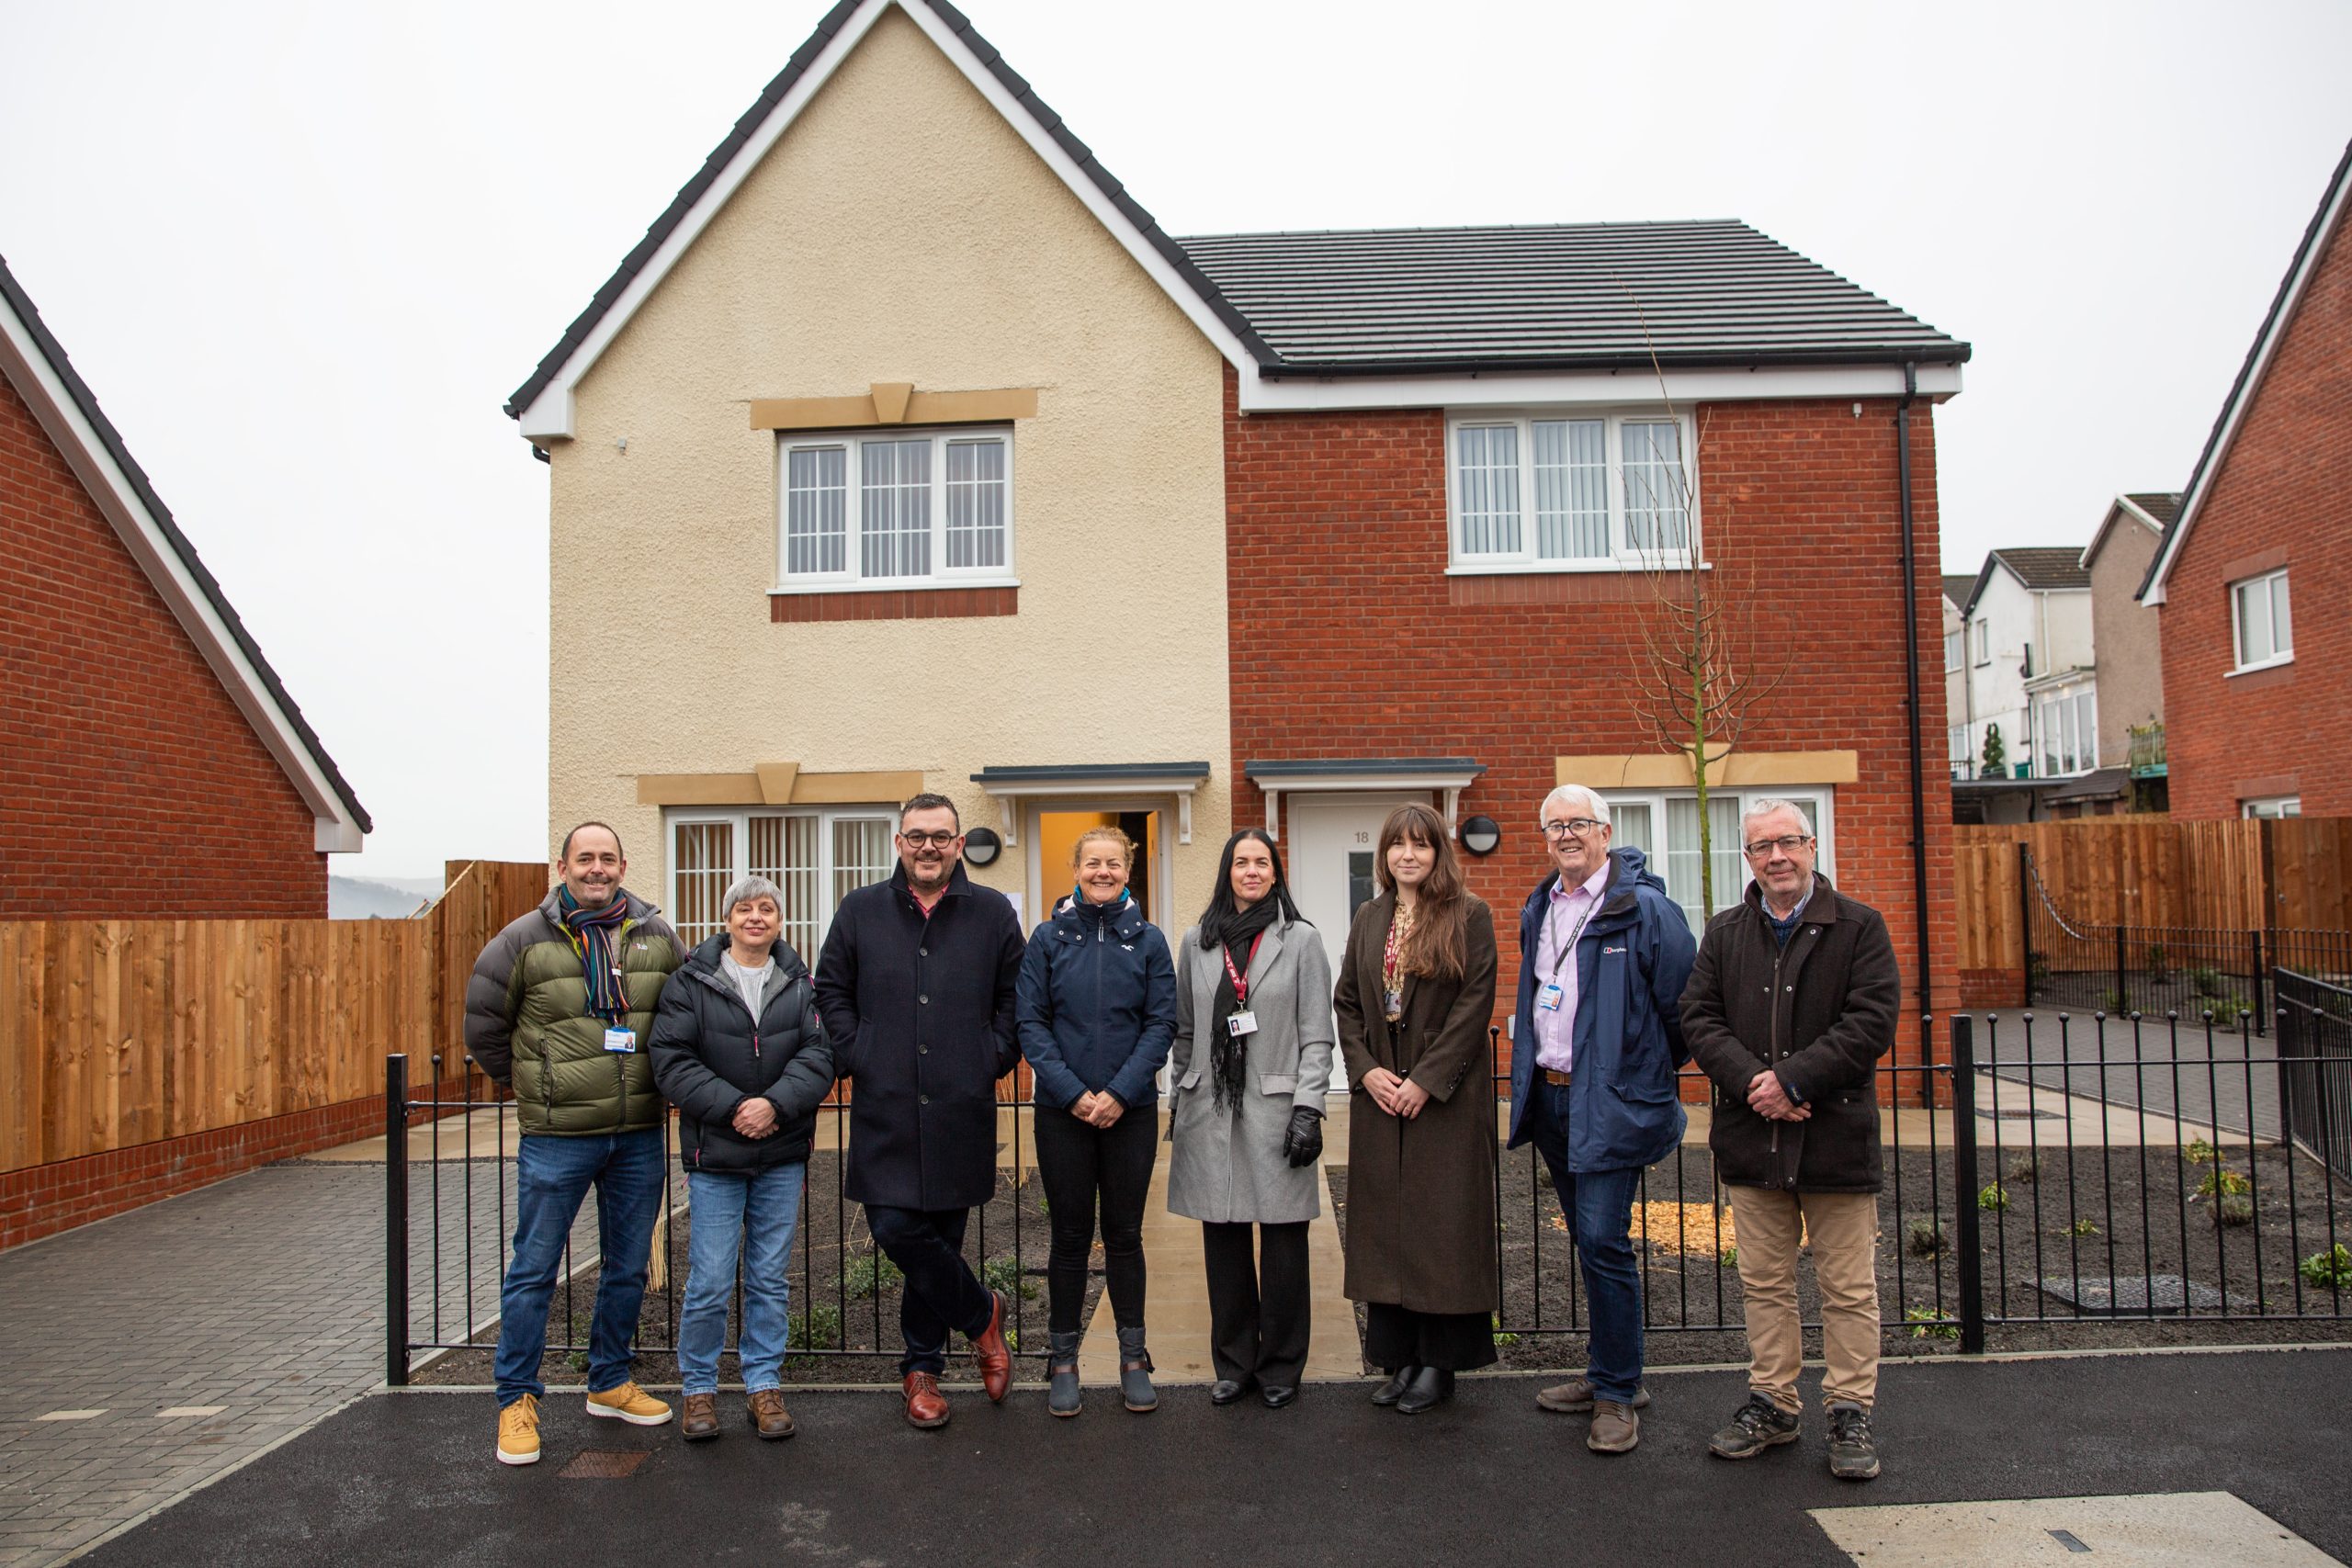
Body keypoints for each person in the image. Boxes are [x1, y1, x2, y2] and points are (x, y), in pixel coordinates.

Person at [1679, 799, 1899, 1482]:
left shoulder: (1860, 927)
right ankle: (1774, 1402)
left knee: (1847, 1287)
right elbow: (1699, 1017)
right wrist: (1757, 1084)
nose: (1777, 856)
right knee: (1765, 1283)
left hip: (1834, 1138)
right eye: (1761, 846)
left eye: (1788, 842)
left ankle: (1849, 1409)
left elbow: (1871, 1022)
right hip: (1753, 1139)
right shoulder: (1725, 932)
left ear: (1812, 845)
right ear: (1746, 859)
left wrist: (1794, 1081)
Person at [466, 822, 686, 1467]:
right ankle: (516, 1398)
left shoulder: (655, 935)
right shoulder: (522, 941)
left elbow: (684, 1015)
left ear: (623, 864)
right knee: (534, 1269)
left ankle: (609, 1379)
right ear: (561, 864)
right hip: (557, 1137)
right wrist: (537, 1086)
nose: (596, 868)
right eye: (584, 858)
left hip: (639, 1131)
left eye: (607, 858)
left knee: (627, 1265)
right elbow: (484, 1026)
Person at [812, 793, 1025, 1430]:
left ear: (959, 844)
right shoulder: (860, 910)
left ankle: (921, 1370)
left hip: (960, 1101)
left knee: (941, 1239)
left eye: (940, 836)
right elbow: (830, 988)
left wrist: (992, 1054)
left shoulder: (991, 913)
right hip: (887, 1101)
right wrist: (859, 1051)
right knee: (896, 1227)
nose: (928, 846)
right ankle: (983, 1314)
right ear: (899, 842)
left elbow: (1016, 997)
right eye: (916, 836)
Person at [1507, 784, 1696, 1455]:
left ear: (1606, 831)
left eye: (1579, 823)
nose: (1566, 835)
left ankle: (1619, 1391)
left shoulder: (1644, 909)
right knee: (1590, 1244)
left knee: (1603, 1239)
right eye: (1554, 825)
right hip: (1554, 1099)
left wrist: (1637, 1074)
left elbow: (1684, 1013)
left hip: (1610, 1102)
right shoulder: (1542, 905)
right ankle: (1608, 1370)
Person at [648, 875, 834, 1443]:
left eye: (768, 909)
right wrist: (736, 1109)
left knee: (769, 1279)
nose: (757, 917)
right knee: (707, 1280)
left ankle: (763, 1386)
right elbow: (672, 1059)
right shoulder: (691, 983)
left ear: (780, 920)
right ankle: (699, 1391)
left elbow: (820, 1053)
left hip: (781, 1152)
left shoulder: (801, 983)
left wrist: (774, 1105)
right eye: (745, 909)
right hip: (717, 1156)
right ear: (727, 919)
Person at [1333, 802, 1500, 1415]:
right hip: (1381, 1096)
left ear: (1438, 852)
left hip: (1444, 1101)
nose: (1408, 854)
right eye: (1397, 844)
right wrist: (1367, 1069)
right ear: (1384, 854)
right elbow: (1347, 1000)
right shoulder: (1369, 915)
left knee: (1442, 1227)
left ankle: (1439, 1363)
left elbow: (1475, 1003)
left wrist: (1426, 1081)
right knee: (1389, 1229)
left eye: (1421, 844)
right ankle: (1399, 1357)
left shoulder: (1468, 913)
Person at [1166, 829, 1336, 1409]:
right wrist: (1177, 1095)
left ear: (1275, 872)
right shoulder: (1198, 940)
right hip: (1211, 1109)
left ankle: (1282, 1366)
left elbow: (1318, 1038)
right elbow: (1185, 1031)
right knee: (1224, 1241)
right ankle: (1234, 1363)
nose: (1251, 871)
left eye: (1262, 862)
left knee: (1285, 1245)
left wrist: (1310, 1109)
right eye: (1241, 862)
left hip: (1277, 1108)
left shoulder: (1302, 941)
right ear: (1227, 872)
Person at [1015, 826, 1178, 1417]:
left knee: (1126, 1237)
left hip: (1130, 1113)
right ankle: (1063, 1361)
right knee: (1069, 1238)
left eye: (1113, 863)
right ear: (1076, 869)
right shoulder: (1048, 938)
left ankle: (1133, 1358)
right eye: (1092, 863)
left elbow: (1162, 1024)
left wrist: (1117, 1093)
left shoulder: (1151, 942)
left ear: (1127, 870)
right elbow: (1031, 1024)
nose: (1102, 872)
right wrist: (1076, 1094)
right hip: (1063, 1114)